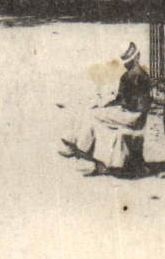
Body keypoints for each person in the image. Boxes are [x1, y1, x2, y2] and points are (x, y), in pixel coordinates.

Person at [60, 42, 152, 176]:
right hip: (136, 114)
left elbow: (122, 102)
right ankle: (77, 146)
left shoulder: (129, 76)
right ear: (138, 56)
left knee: (92, 114)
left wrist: (106, 105)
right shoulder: (142, 74)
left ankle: (77, 147)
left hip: (131, 116)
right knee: (94, 113)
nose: (125, 65)